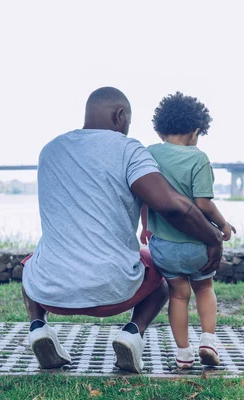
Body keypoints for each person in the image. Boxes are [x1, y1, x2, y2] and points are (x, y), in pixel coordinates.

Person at [21, 87, 223, 374]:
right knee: (164, 278)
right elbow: (172, 205)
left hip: (50, 291)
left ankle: (38, 327)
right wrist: (213, 235)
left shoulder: (50, 150)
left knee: (31, 264)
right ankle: (132, 333)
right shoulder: (128, 150)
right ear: (120, 116)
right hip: (114, 291)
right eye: (127, 122)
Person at [140, 92, 235, 369]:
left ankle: (183, 353)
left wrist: (145, 227)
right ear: (196, 131)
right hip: (197, 246)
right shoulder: (198, 158)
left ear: (160, 130)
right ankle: (207, 340)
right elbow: (203, 204)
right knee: (204, 288)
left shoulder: (149, 154)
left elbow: (147, 195)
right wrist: (224, 225)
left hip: (165, 248)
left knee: (178, 295)